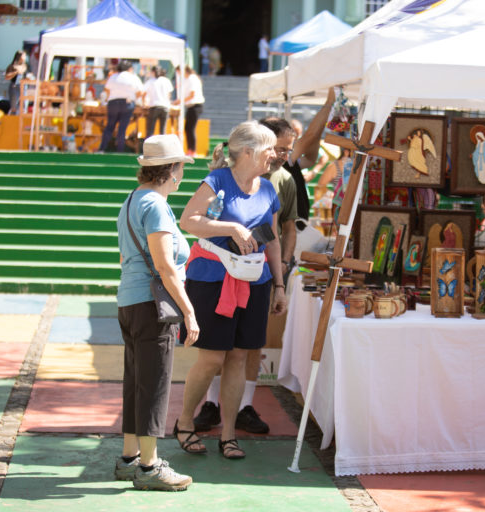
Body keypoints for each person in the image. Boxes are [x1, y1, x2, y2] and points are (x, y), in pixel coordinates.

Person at [175, 121, 288, 459]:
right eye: (271, 148)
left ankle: (227, 435)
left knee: (239, 356)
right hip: (212, 278)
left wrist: (279, 285)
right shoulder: (217, 181)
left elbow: (273, 240)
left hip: (255, 281)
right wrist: (232, 227)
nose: (276, 154)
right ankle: (184, 423)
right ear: (249, 151)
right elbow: (188, 220)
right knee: (211, 358)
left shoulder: (268, 189)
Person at [114, 134, 199, 491]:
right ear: (173, 170)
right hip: (153, 306)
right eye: (181, 167)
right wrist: (190, 312)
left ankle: (130, 457)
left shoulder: (132, 199)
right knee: (155, 384)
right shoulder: (157, 206)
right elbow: (165, 266)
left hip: (131, 301)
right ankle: (149, 467)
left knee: (137, 380)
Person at [281, 87, 336, 220]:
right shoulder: (282, 159)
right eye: (292, 133)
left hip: (297, 223)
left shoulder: (287, 159)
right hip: (292, 225)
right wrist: (329, 103)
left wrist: (317, 131)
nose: (296, 137)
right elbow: (310, 136)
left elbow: (311, 158)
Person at [99, 60, 144, 153]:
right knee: (122, 129)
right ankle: (120, 151)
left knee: (109, 126)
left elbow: (106, 89)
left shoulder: (113, 77)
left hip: (113, 103)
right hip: (127, 103)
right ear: (130, 69)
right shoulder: (133, 77)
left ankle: (102, 149)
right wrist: (134, 98)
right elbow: (140, 92)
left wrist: (108, 97)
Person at [173, 66, 204, 157]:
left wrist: (180, 101)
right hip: (191, 106)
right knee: (188, 128)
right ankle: (190, 149)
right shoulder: (188, 79)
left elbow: (192, 94)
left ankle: (193, 150)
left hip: (195, 106)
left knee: (190, 128)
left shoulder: (192, 78)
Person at [143, 66, 174, 138]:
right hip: (165, 106)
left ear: (153, 72)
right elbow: (169, 95)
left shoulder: (150, 81)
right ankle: (162, 148)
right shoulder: (166, 80)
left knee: (150, 130)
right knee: (162, 130)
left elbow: (143, 94)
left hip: (154, 106)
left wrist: (144, 103)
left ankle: (148, 148)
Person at [4, 50, 27, 115]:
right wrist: (16, 72)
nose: (25, 57)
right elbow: (7, 77)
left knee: (23, 105)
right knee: (14, 105)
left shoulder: (25, 66)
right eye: (24, 55)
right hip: (14, 86)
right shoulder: (12, 66)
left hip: (23, 86)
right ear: (19, 56)